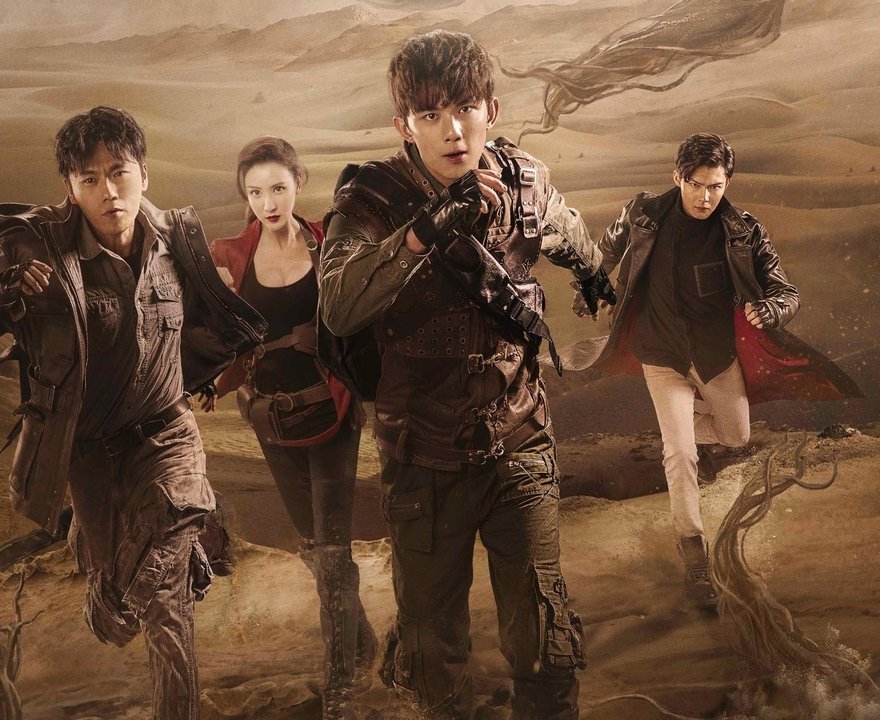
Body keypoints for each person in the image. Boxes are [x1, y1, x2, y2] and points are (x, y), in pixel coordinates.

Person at [0, 106, 265, 720]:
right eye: (90, 178)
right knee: (121, 615)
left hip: (168, 438)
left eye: (120, 171)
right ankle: (114, 585)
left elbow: (213, 325)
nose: (109, 191)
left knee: (166, 598)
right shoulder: (31, 250)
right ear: (70, 188)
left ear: (144, 174)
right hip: (88, 457)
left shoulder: (176, 242)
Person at [318, 30, 610, 719]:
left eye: (466, 109)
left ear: (492, 110)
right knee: (433, 655)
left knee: (544, 642)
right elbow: (338, 304)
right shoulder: (373, 199)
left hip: (519, 443)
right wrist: (423, 231)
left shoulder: (525, 181)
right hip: (421, 460)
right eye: (431, 114)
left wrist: (595, 273)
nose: (453, 130)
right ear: (404, 124)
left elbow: (569, 231)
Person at [559, 133, 860, 608]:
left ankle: (678, 426)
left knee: (736, 435)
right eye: (696, 184)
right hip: (661, 354)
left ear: (727, 183)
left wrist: (772, 309)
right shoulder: (643, 214)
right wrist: (591, 288)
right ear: (677, 177)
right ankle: (694, 553)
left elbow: (786, 292)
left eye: (715, 186)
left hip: (716, 357)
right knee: (680, 455)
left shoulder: (744, 231)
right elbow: (600, 258)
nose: (705, 197)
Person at [207, 136, 374, 719]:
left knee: (332, 550)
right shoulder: (230, 257)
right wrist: (210, 380)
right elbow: (215, 335)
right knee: (312, 547)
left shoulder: (332, 244)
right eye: (255, 192)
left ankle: (341, 685)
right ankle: (361, 640)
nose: (268, 203)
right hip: (269, 420)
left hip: (331, 413)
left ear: (298, 183)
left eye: (278, 188)